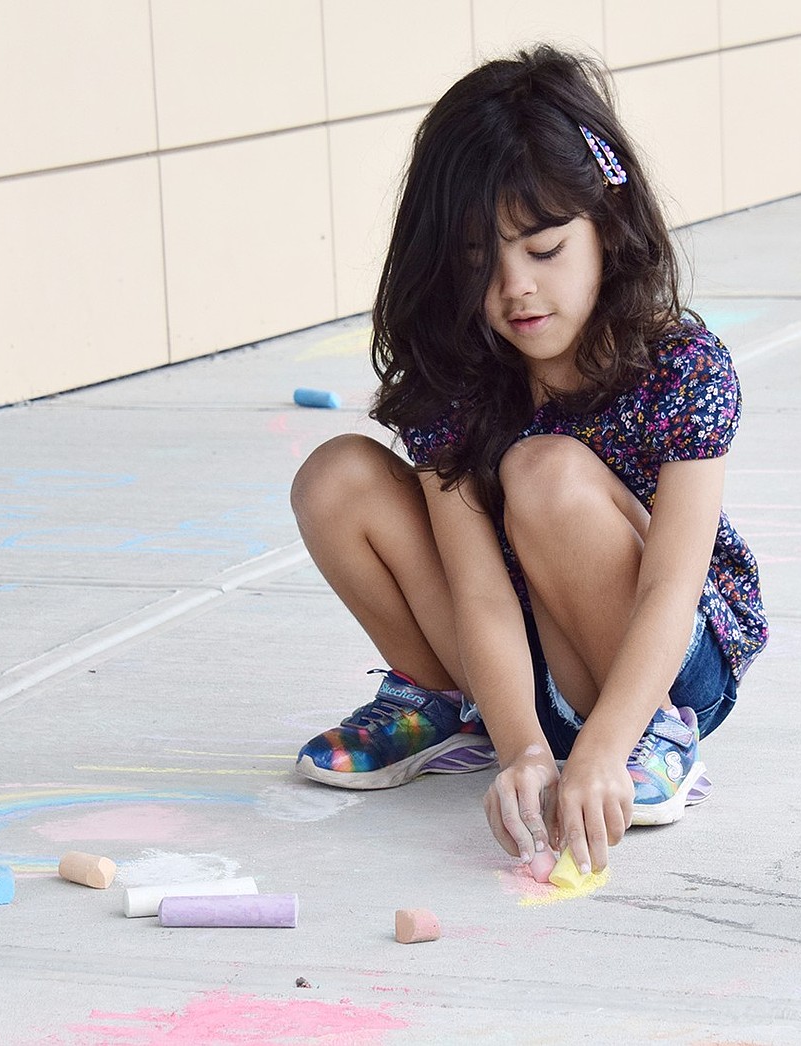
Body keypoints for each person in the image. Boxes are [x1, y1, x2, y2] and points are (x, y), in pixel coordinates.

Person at [289, 45, 768, 877]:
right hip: (518, 661)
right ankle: (447, 705)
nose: (516, 288)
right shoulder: (456, 377)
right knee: (337, 477)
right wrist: (523, 752)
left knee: (544, 472)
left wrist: (606, 748)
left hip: (660, 665)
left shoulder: (681, 367)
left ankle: (657, 740)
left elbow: (670, 585)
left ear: (607, 229)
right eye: (480, 261)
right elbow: (476, 588)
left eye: (544, 250)